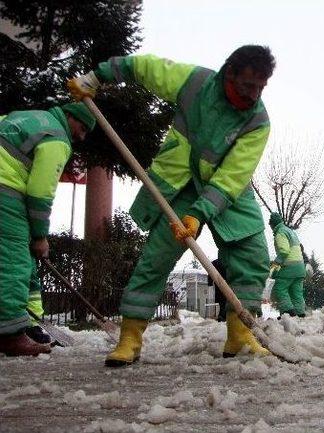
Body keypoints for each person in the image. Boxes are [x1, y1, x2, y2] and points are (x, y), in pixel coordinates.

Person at [68, 45, 276, 366]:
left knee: (253, 254)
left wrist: (200, 213)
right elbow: (146, 68)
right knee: (157, 256)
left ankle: (239, 335)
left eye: (260, 88)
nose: (253, 95)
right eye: (247, 86)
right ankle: (130, 338)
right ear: (229, 72)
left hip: (227, 191)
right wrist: (97, 77)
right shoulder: (195, 83)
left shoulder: (257, 121)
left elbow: (233, 175)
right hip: (180, 181)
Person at [0, 102, 96, 356]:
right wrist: (41, 236)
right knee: (13, 262)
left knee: (20, 261)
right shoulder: (56, 138)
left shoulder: (22, 116)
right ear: (69, 116)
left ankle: (25, 325)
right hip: (5, 191)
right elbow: (41, 193)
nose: (81, 136)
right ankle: (10, 336)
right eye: (82, 128)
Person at [268, 212, 307, 317]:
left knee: (279, 289)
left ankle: (288, 313)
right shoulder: (291, 231)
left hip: (289, 267)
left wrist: (275, 266)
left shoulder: (280, 232)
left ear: (272, 224)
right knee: (296, 292)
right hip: (300, 267)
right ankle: (300, 314)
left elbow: (284, 251)